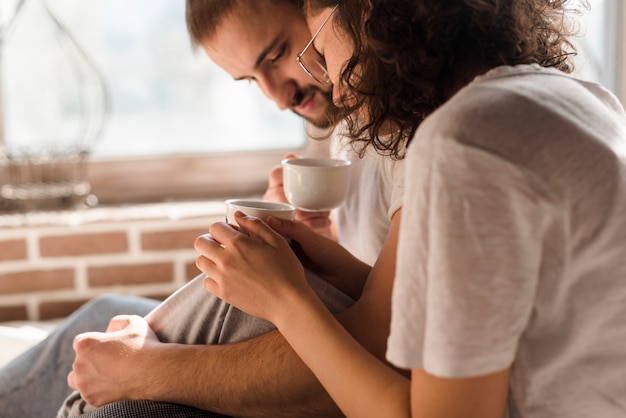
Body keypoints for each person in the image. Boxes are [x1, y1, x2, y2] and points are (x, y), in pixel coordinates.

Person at [196, 0, 626, 417]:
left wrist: (285, 301)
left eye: (322, 53)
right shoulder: (583, 100)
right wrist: (339, 270)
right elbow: (505, 310)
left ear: (367, 11)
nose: (340, 94)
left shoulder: (462, 141)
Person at [0, 1, 405, 417]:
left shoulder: (403, 127)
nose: (278, 99)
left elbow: (380, 337)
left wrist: (143, 368)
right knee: (102, 315)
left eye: (279, 54)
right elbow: (382, 280)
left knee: (114, 400)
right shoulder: (343, 123)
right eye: (250, 80)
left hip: (346, 359)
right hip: (337, 327)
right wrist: (316, 241)